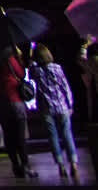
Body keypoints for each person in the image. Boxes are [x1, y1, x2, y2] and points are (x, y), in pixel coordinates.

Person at [0, 46, 36, 178]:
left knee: (8, 135)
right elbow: (21, 73)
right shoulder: (9, 58)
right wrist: (19, 58)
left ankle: (15, 165)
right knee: (20, 135)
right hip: (14, 99)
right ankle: (26, 165)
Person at [30, 45, 79, 177]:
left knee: (53, 137)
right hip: (62, 106)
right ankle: (73, 164)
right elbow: (65, 87)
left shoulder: (36, 71)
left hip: (46, 109)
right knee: (67, 134)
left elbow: (30, 72)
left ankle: (61, 165)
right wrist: (70, 104)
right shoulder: (57, 68)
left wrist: (31, 57)